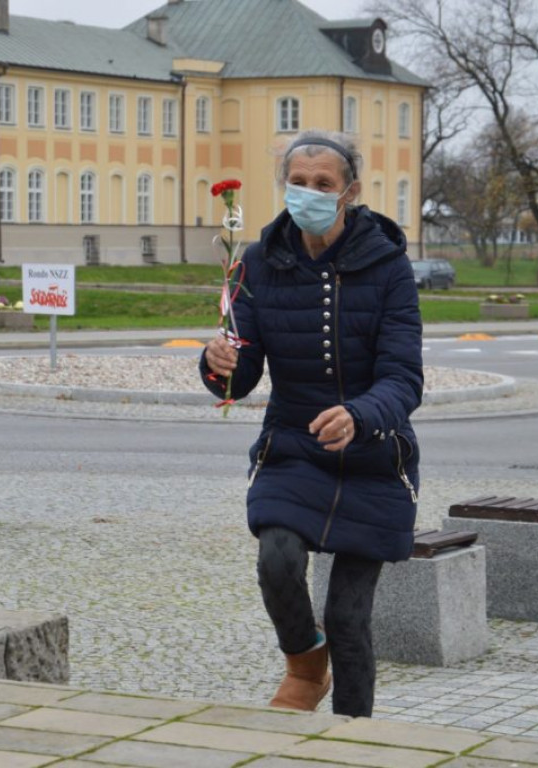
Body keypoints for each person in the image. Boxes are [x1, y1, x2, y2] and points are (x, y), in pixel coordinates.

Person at [200, 129, 423, 718]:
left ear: (349, 191)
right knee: (276, 559)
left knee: (349, 618)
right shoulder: (256, 263)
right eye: (297, 183)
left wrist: (360, 415)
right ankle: (304, 662)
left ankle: (352, 739)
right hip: (293, 449)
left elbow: (405, 379)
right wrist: (217, 362)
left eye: (323, 184)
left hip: (374, 457)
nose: (308, 194)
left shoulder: (390, 268)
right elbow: (240, 378)